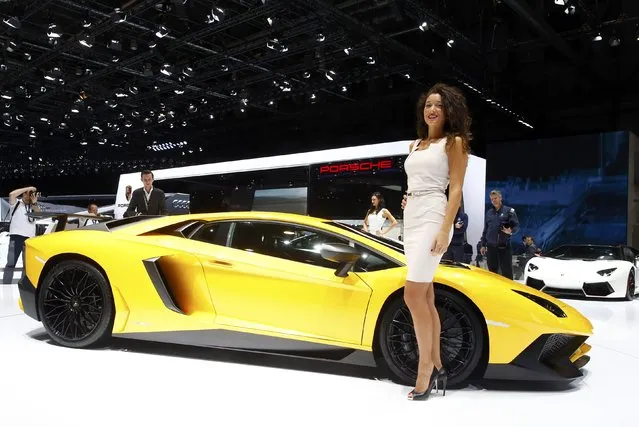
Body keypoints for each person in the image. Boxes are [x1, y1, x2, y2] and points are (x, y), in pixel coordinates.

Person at [400, 83, 471, 400]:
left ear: (448, 111)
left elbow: (455, 189)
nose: (431, 109)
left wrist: (445, 229)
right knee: (424, 298)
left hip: (433, 217)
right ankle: (438, 365)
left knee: (412, 296)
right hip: (412, 216)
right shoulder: (415, 144)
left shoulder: (454, 143)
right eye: (428, 104)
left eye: (438, 105)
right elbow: (415, 181)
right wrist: (407, 199)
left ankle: (424, 370)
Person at [3, 186, 40, 284]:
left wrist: (34, 202)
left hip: (29, 239)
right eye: (29, 194)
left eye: (32, 194)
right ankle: (6, 284)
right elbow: (11, 194)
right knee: (11, 264)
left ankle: (23, 286)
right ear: (23, 194)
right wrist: (28, 188)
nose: (30, 196)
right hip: (16, 237)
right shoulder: (16, 203)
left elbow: (39, 214)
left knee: (27, 266)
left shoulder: (33, 206)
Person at [479, 189, 519, 279]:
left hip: (504, 247)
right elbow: (486, 230)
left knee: (507, 273)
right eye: (492, 199)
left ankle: (508, 292)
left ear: (500, 198)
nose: (493, 200)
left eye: (495, 198)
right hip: (491, 248)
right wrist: (483, 245)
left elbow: (516, 226)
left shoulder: (509, 211)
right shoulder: (489, 213)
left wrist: (511, 231)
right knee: (492, 273)